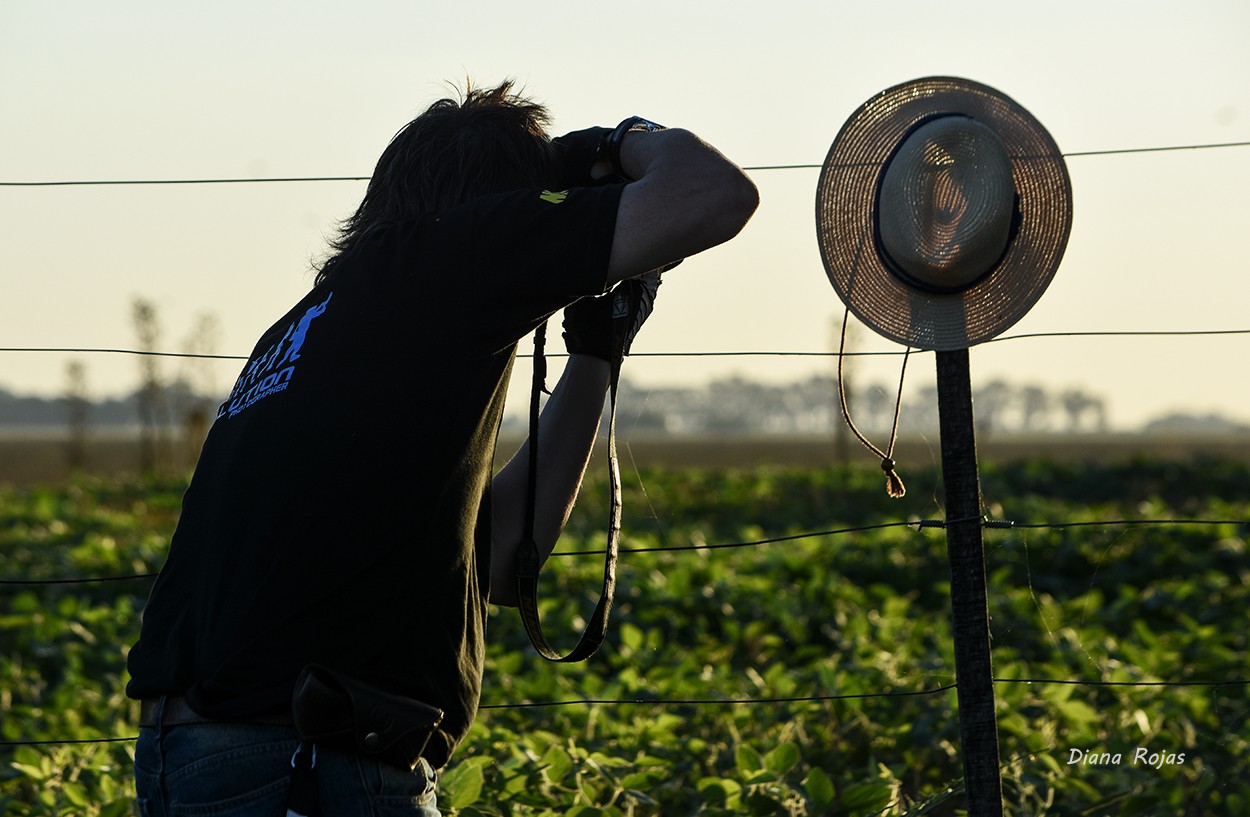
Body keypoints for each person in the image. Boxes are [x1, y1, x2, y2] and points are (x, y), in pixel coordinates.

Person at [126, 79, 758, 815]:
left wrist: (593, 355)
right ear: (504, 208)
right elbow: (713, 195)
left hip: (212, 760)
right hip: (307, 766)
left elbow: (495, 562)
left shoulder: (319, 326)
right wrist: (615, 144)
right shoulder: (450, 254)